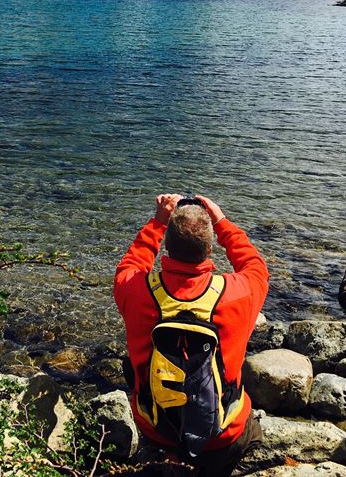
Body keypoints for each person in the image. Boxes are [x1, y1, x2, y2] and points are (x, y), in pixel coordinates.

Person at [114, 193, 269, 475]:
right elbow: (255, 267)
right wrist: (221, 221)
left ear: (166, 249)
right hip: (222, 436)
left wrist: (158, 222)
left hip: (158, 429)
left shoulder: (136, 291)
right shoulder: (238, 293)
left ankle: (165, 452)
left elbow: (130, 266)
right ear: (209, 249)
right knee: (247, 422)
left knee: (130, 365)